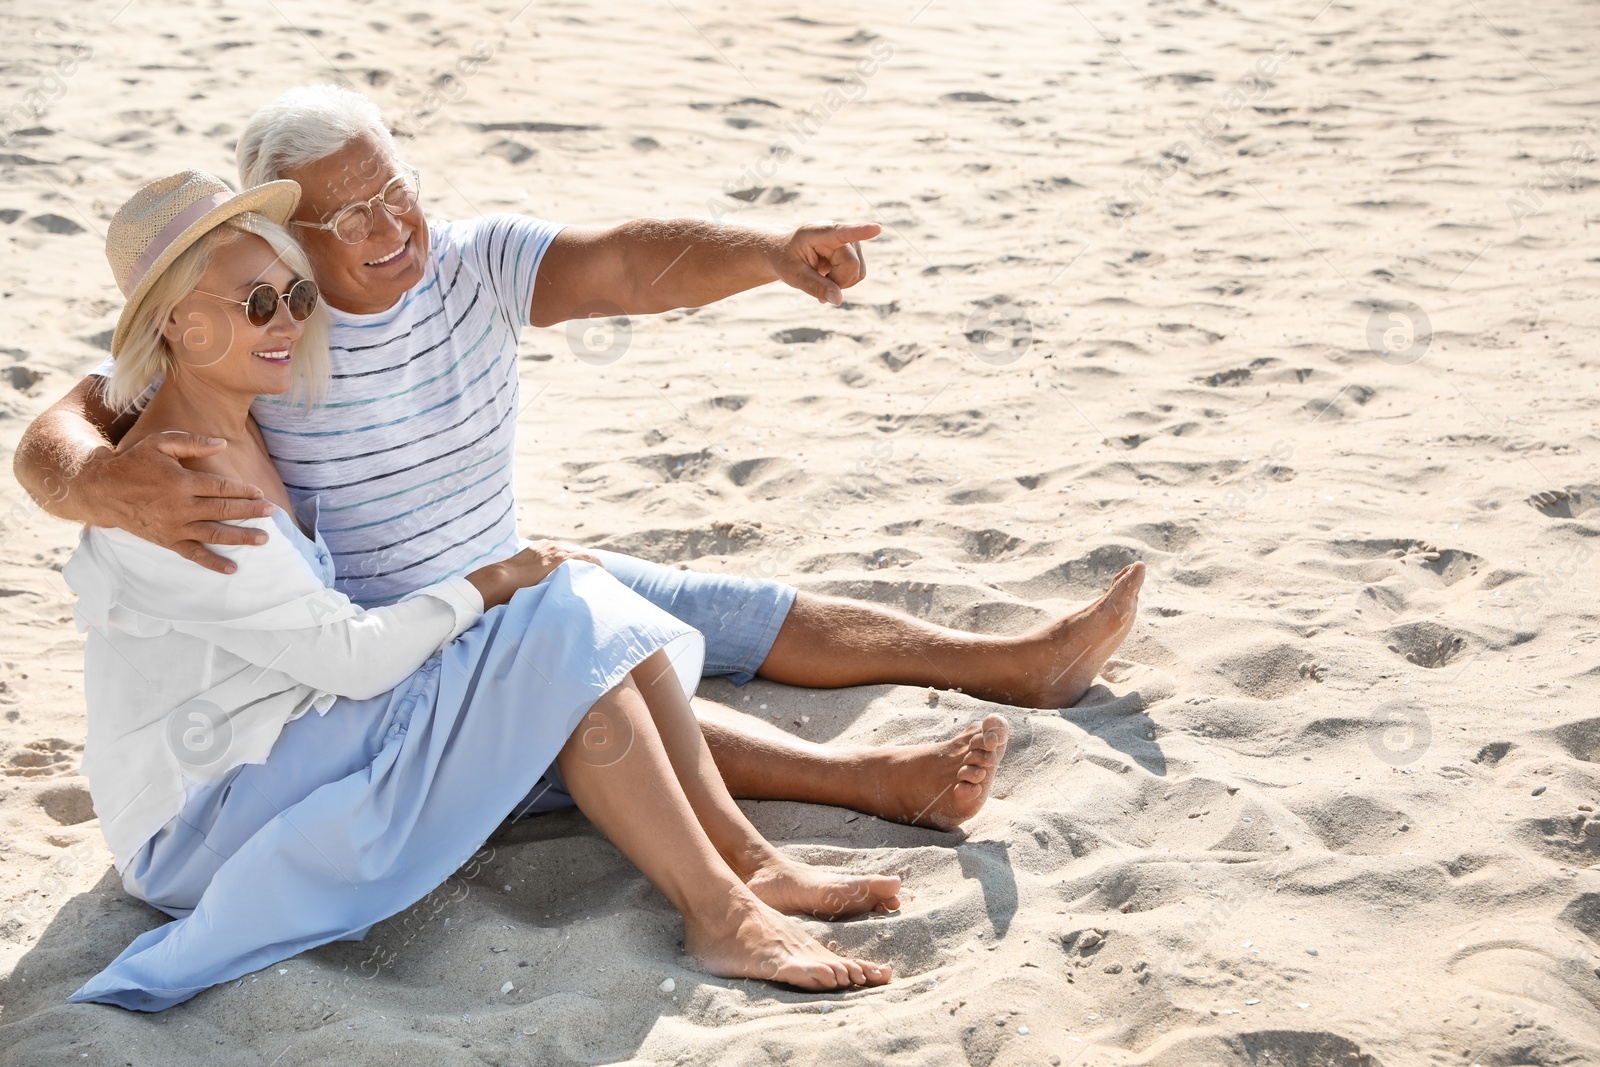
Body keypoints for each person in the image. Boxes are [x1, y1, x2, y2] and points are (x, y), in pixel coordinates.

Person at [12, 84, 1143, 825]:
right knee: (592, 681)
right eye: (346, 217)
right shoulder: (260, 322)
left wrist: (767, 251)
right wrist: (97, 479)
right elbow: (57, 430)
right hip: (410, 634)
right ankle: (869, 782)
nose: (389, 229)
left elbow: (620, 265)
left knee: (715, 601)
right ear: (285, 233)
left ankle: (1011, 662)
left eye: (394, 191)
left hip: (504, 560)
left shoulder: (468, 263)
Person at [64, 171, 929, 1011]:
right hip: (199, 827)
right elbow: (352, 661)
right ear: (177, 321)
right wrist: (493, 579)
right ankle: (722, 910)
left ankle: (741, 862)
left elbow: (618, 263)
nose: (289, 321)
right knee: (548, 612)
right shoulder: (178, 484)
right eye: (257, 305)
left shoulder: (231, 408)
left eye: (295, 296)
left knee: (571, 601)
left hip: (282, 741)